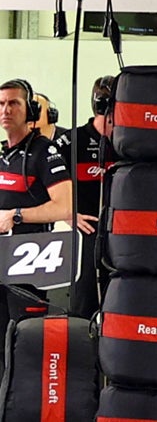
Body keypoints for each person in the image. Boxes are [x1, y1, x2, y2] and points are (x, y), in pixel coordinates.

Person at [0, 75, 72, 327]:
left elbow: (65, 206)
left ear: (30, 109)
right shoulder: (3, 153)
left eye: (14, 103)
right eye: (1, 104)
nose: (6, 110)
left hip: (29, 261)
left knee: (22, 333)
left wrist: (16, 215)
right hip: (3, 257)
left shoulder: (44, 151)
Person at [67, 74, 114, 323]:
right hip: (85, 238)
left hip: (123, 237)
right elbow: (44, 189)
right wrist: (67, 214)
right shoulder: (70, 142)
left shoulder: (133, 144)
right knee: (83, 307)